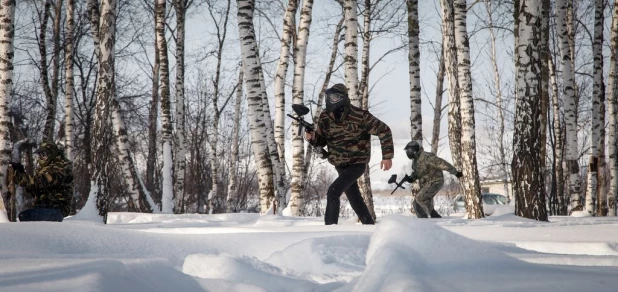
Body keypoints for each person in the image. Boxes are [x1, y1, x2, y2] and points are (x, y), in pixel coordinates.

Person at [305, 83, 393, 225]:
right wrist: (312, 138)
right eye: (328, 97)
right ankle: (369, 225)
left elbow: (384, 130)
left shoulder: (360, 116)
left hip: (357, 164)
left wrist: (387, 156)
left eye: (334, 97)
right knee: (354, 197)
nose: (330, 100)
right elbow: (321, 142)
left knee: (333, 192)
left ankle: (330, 228)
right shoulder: (325, 117)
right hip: (339, 164)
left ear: (343, 98)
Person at [10, 141, 73, 222]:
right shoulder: (47, 168)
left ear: (52, 154)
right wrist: (21, 172)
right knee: (24, 216)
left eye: (44, 154)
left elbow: (41, 181)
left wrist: (19, 177)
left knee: (25, 217)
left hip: (56, 209)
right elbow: (36, 189)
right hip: (45, 208)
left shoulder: (61, 166)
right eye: (40, 155)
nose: (41, 157)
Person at [403, 141, 462, 218]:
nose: (408, 153)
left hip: (435, 181)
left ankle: (435, 216)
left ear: (415, 150)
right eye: (407, 151)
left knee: (420, 198)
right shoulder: (415, 161)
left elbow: (442, 163)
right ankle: (423, 223)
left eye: (409, 150)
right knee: (416, 204)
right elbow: (418, 173)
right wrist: (410, 178)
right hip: (427, 183)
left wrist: (455, 172)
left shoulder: (427, 157)